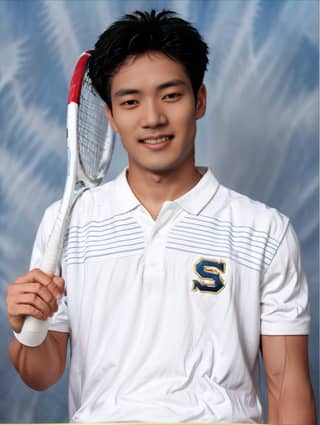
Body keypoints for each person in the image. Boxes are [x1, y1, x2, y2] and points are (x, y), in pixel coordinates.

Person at [6, 9, 316, 424]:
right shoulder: (67, 221)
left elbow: (287, 386)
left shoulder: (265, 231)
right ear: (111, 117)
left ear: (199, 100)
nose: (152, 118)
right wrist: (28, 325)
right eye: (130, 102)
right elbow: (42, 373)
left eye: (171, 95)